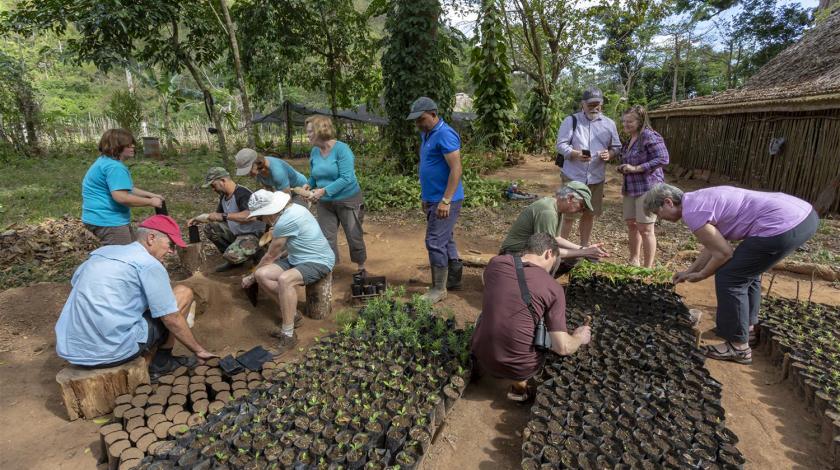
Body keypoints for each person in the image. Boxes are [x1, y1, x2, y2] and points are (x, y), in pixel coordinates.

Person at [645, 183, 819, 364]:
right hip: (804, 216)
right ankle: (747, 330)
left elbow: (723, 253)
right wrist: (689, 271)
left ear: (668, 202)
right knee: (746, 272)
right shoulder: (697, 199)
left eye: (658, 214)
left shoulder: (692, 212)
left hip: (784, 223)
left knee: (730, 277)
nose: (661, 219)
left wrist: (702, 275)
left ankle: (738, 347)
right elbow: (712, 246)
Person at [55, 215, 215, 379]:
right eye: (170, 244)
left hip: (71, 350)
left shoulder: (101, 254)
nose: (171, 251)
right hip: (113, 351)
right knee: (183, 293)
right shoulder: (149, 264)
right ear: (151, 238)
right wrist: (198, 350)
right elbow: (171, 318)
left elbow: (78, 284)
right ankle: (162, 362)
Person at [471, 233, 592, 402]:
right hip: (518, 368)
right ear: (548, 253)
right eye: (554, 262)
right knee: (546, 337)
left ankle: (479, 368)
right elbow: (562, 347)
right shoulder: (553, 288)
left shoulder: (496, 263)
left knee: (484, 316)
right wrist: (579, 337)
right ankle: (519, 387)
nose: (552, 268)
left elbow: (489, 283)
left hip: (481, 354)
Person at [242, 190, 335, 352]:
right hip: (296, 257)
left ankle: (288, 334)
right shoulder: (292, 209)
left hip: (318, 260)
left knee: (285, 280)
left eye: (260, 216)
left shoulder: (286, 220)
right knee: (261, 274)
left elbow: (270, 255)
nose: (260, 219)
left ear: (270, 212)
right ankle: (293, 315)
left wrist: (249, 278)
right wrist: (255, 275)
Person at [407, 97, 464, 303]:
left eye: (421, 119)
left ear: (433, 114)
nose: (418, 124)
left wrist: (446, 200)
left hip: (446, 198)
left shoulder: (445, 134)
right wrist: (426, 198)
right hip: (433, 198)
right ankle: (454, 279)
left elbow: (456, 169)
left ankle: (439, 288)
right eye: (416, 121)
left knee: (434, 241)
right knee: (445, 237)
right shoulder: (428, 133)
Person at [555, 87, 621, 248]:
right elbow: (560, 145)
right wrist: (575, 154)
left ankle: (583, 247)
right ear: (582, 104)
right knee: (568, 214)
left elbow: (617, 146)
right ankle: (561, 249)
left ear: (602, 104)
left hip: (596, 177)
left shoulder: (609, 124)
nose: (594, 108)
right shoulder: (571, 120)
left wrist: (610, 154)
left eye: (597, 104)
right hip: (573, 176)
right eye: (590, 105)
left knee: (589, 214)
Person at [301, 115, 367, 275]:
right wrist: (309, 184)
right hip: (325, 203)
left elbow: (347, 178)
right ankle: (329, 268)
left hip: (348, 200)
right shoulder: (315, 152)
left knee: (354, 235)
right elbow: (315, 175)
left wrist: (323, 191)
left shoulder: (342, 150)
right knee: (326, 237)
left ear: (320, 131)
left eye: (310, 131)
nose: (307, 135)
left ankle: (361, 268)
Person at [82, 128, 166, 245]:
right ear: (116, 146)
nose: (132, 147)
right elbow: (121, 197)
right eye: (128, 145)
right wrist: (151, 202)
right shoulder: (114, 167)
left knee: (132, 247)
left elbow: (126, 188)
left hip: (98, 217)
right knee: (122, 257)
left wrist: (150, 195)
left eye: (132, 144)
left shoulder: (105, 161)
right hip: (108, 220)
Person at [500, 182, 609, 271]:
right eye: (582, 205)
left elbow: (556, 238)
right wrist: (584, 252)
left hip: (526, 250)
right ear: (570, 198)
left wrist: (584, 249)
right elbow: (546, 249)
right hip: (513, 253)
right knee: (554, 259)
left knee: (574, 257)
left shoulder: (556, 207)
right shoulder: (548, 212)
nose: (581, 210)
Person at [617, 105, 670, 268]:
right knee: (632, 224)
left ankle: (647, 267)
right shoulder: (630, 139)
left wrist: (637, 168)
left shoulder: (649, 136)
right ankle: (634, 260)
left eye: (630, 121)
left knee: (646, 228)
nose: (626, 124)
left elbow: (663, 158)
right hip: (631, 187)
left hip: (647, 187)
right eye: (624, 121)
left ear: (640, 121)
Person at [187, 167, 266, 272]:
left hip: (254, 236)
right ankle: (235, 260)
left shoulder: (242, 194)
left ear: (223, 181)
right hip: (238, 233)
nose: (213, 189)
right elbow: (218, 216)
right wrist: (200, 218)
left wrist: (223, 216)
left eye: (213, 185)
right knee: (210, 228)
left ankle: (257, 254)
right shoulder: (224, 196)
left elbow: (250, 216)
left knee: (232, 255)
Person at [234, 148, 310, 204]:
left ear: (256, 162)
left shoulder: (277, 172)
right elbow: (268, 189)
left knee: (291, 216)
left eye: (248, 170)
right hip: (286, 190)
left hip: (300, 189)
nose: (247, 174)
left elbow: (287, 199)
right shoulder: (259, 170)